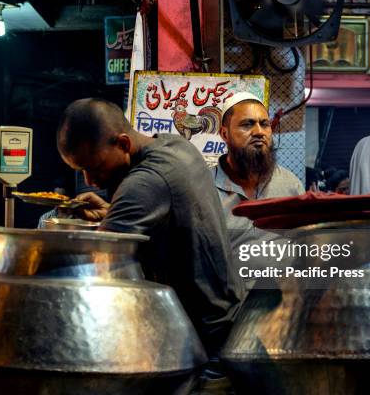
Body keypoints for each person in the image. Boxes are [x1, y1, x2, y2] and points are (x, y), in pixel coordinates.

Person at [56, 98, 244, 358]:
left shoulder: (144, 182)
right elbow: (170, 219)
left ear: (123, 143)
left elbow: (95, 263)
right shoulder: (177, 146)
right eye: (81, 172)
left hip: (199, 340)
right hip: (225, 321)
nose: (90, 181)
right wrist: (111, 214)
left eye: (94, 167)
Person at [211, 92, 304, 289]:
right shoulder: (206, 188)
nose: (259, 131)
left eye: (265, 124)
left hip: (282, 306)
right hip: (228, 307)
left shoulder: (289, 184)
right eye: (247, 124)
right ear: (224, 134)